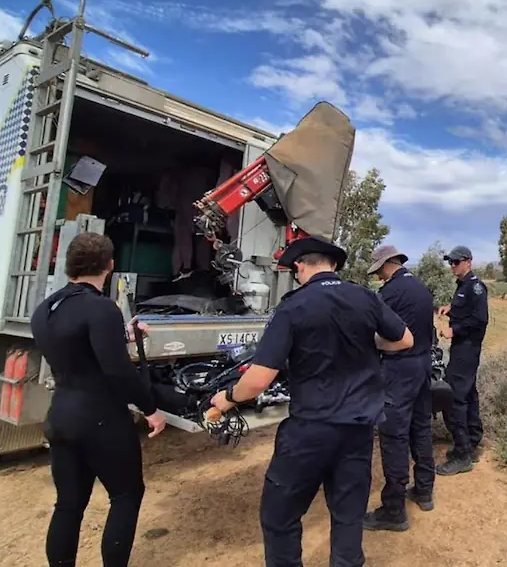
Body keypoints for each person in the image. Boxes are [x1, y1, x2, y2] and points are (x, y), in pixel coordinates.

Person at [209, 235, 413, 567]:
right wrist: (369, 344)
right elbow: (404, 340)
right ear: (333, 265)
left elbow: (260, 378)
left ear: (301, 266)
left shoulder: (293, 306)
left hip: (310, 432)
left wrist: (228, 397)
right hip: (358, 432)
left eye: (296, 271)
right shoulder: (364, 297)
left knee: (279, 518)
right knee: (347, 517)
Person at [30, 232, 167, 567]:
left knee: (68, 504)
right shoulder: (101, 307)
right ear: (110, 265)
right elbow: (118, 372)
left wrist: (123, 335)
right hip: (101, 419)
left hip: (61, 416)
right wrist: (151, 409)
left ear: (68, 266)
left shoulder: (45, 309)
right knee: (126, 495)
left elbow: (75, 345)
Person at [362, 245, 437, 532]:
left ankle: (393, 510)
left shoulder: (390, 293)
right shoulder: (420, 287)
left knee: (394, 435)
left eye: (379, 270)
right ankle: (424, 490)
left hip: (398, 368)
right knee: (421, 427)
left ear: (387, 265)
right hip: (422, 365)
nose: (379, 275)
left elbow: (374, 330)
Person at [436, 245, 489, 476]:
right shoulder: (463, 286)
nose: (452, 266)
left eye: (456, 262)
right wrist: (451, 309)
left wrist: (453, 330)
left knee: (454, 397)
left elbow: (479, 320)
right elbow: (465, 309)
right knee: (469, 394)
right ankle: (473, 439)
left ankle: (462, 454)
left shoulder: (475, 287)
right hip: (463, 350)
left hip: (466, 349)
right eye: (450, 262)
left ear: (468, 261)